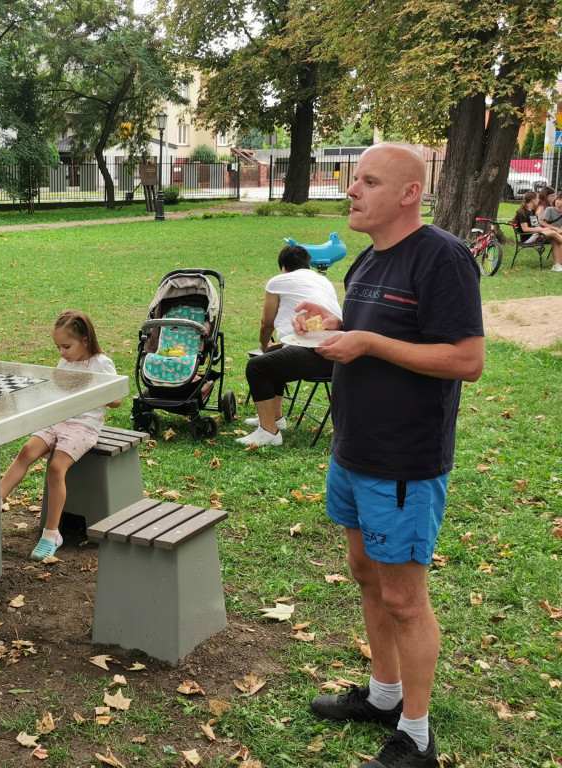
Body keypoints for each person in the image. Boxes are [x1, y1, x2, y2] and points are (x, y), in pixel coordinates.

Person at [294, 143, 484, 768]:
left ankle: (418, 735)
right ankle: (383, 696)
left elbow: (466, 359)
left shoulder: (442, 257)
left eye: (368, 181)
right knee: (366, 575)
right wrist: (335, 328)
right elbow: (367, 340)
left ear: (408, 193)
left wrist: (369, 341)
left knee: (405, 597)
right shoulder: (367, 263)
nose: (352, 191)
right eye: (354, 180)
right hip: (353, 449)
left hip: (404, 458)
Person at [0, 310, 122, 561]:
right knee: (26, 451)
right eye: (58, 347)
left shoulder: (101, 363)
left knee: (56, 468)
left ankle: (51, 533)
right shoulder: (65, 362)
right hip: (59, 420)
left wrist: (90, 386)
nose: (61, 353)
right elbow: (57, 393)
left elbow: (117, 400)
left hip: (84, 426)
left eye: (66, 346)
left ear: (85, 340)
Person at [236, 244, 342, 447]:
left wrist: (263, 343)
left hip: (316, 352)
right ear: (307, 264)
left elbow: (266, 322)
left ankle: (269, 432)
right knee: (270, 360)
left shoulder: (278, 281)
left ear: (283, 267)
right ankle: (275, 419)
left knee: (258, 366)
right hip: (337, 351)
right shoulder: (323, 280)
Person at [513, 191, 562, 271]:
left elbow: (536, 225)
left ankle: (556, 265)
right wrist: (541, 229)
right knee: (553, 232)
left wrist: (544, 229)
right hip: (528, 238)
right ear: (532, 200)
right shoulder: (523, 212)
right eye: (537, 198)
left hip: (536, 234)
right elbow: (525, 229)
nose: (539, 200)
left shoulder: (532, 211)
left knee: (555, 241)